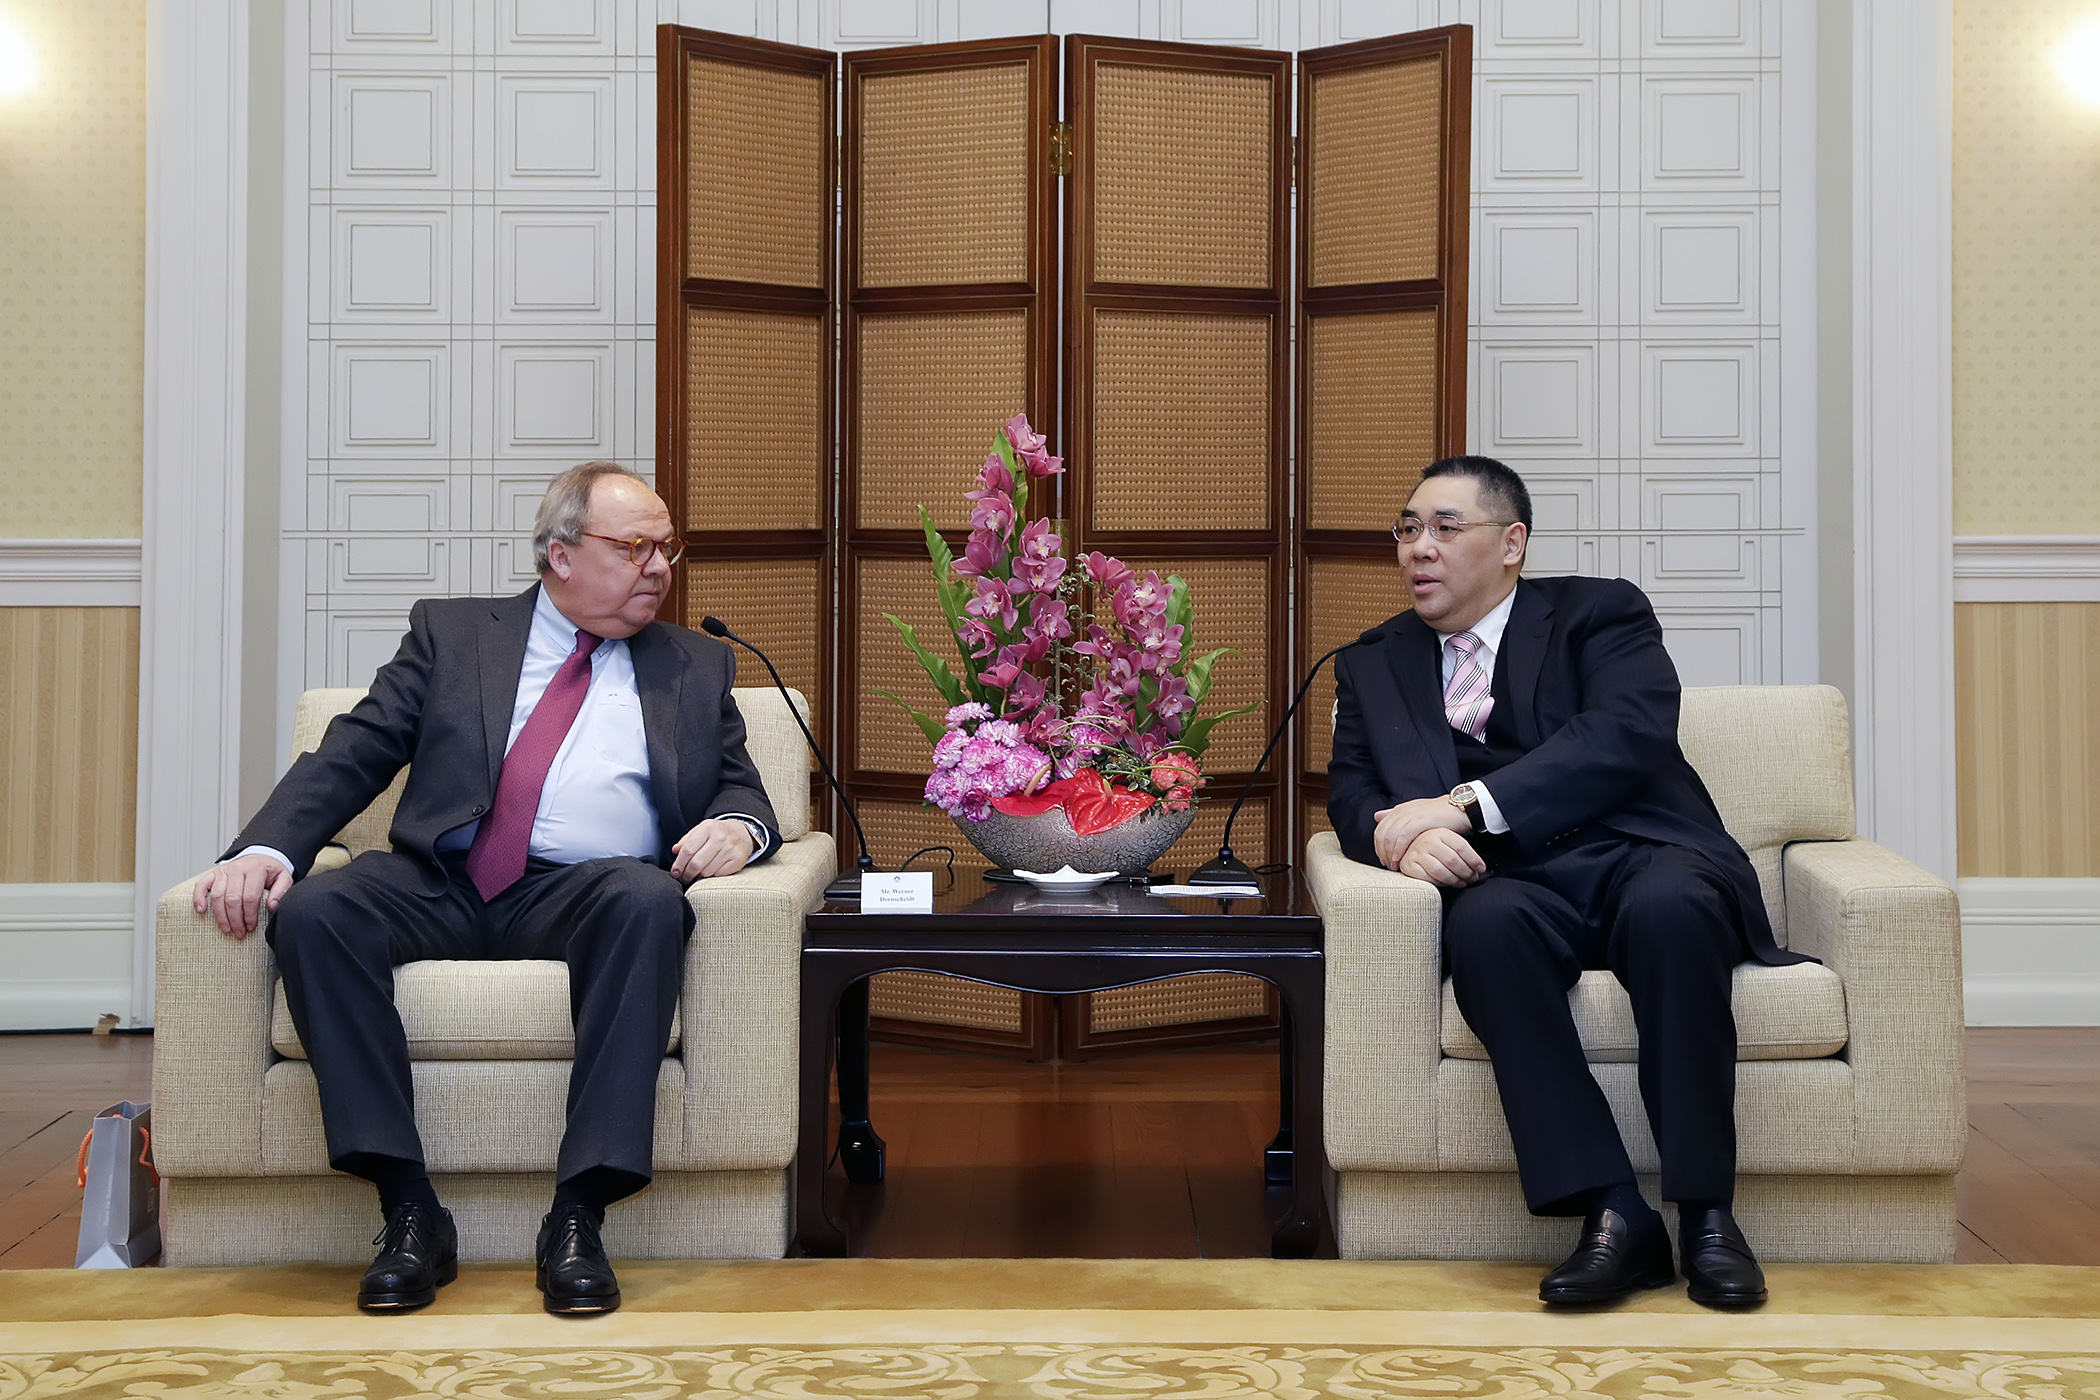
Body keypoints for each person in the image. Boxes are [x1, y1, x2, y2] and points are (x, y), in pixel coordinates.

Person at [190, 461, 782, 1317]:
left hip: (584, 892)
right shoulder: (454, 634)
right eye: (635, 547)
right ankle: (409, 1211)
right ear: (560, 554)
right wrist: (266, 849)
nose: (659, 567)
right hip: (441, 880)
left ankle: (578, 1216)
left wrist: (740, 826)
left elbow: (741, 788)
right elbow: (356, 748)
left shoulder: (694, 663)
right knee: (317, 912)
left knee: (650, 901)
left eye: (666, 548)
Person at [1328, 455, 1807, 1310]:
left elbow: (1625, 735)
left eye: (1445, 528)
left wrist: (1459, 807)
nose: (1418, 548)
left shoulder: (1600, 613)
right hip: (1510, 879)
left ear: (1511, 543)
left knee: (1673, 911)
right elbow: (1354, 794)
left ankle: (1707, 1216)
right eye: (1407, 529)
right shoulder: (1373, 662)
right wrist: (1401, 843)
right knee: (1483, 929)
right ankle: (1614, 1213)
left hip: (1640, 850)